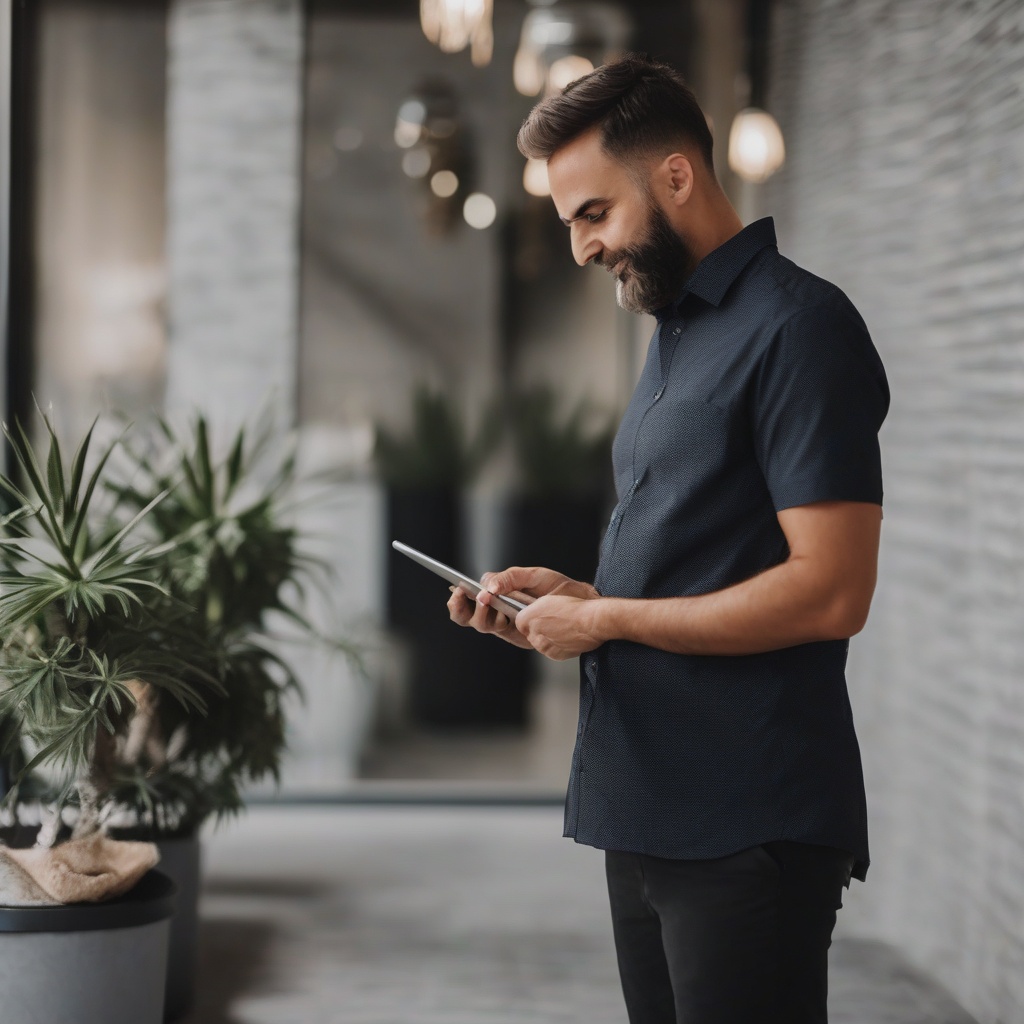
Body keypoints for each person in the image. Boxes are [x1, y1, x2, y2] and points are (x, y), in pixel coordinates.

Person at [448, 53, 888, 1024]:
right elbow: (698, 558)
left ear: (676, 176)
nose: (578, 247)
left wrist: (605, 616)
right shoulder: (674, 332)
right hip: (646, 802)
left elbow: (829, 591)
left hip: (744, 816)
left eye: (592, 212)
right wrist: (567, 596)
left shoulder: (799, 329)